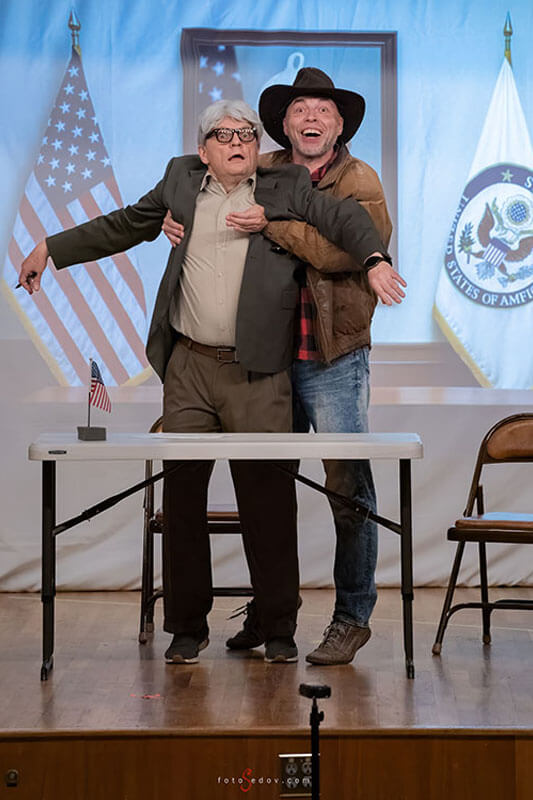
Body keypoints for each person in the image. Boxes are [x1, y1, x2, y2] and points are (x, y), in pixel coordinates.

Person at [19, 98, 393, 666]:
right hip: (190, 367)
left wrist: (374, 260)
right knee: (183, 495)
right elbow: (123, 224)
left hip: (258, 369)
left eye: (246, 134)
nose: (237, 143)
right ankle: (186, 627)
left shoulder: (284, 186)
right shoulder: (180, 183)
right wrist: (50, 248)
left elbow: (344, 221)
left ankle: (279, 627)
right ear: (202, 149)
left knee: (268, 499)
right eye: (223, 135)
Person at [163, 69, 406, 667]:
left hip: (330, 356)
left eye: (323, 109)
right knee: (269, 492)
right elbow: (198, 188)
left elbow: (341, 248)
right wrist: (176, 217)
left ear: (339, 126)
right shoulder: (264, 167)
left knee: (347, 487)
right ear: (284, 124)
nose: (311, 118)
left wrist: (272, 224)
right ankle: (272, 615)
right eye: (301, 109)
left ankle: (351, 618)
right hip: (267, 359)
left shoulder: (360, 180)